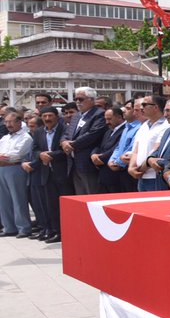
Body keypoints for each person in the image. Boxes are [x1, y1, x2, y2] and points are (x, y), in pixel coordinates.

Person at [25, 106, 71, 243]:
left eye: (50, 116)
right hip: (46, 173)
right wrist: (41, 155)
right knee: (51, 204)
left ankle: (66, 232)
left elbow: (66, 151)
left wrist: (51, 155)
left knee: (64, 205)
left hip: (63, 173)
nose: (47, 119)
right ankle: (55, 231)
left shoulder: (65, 130)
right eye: (44, 117)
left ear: (57, 116)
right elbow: (35, 149)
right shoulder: (39, 132)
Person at [62, 87, 107, 195]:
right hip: (73, 162)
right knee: (80, 196)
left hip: (87, 162)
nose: (77, 102)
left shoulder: (99, 114)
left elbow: (92, 134)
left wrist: (72, 145)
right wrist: (64, 142)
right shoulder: (76, 115)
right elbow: (67, 132)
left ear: (91, 100)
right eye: (76, 99)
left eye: (81, 99)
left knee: (92, 195)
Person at [0, 110, 33, 237]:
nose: (8, 124)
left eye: (11, 122)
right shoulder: (5, 137)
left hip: (15, 168)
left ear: (19, 122)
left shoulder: (25, 137)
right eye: (6, 122)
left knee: (18, 198)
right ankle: (9, 227)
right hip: (2, 168)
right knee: (4, 200)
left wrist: (4, 157)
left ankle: (23, 227)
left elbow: (16, 155)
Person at [128, 95, 170, 191]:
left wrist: (140, 169)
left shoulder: (166, 126)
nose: (142, 108)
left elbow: (156, 151)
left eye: (144, 104)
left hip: (154, 176)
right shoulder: (144, 125)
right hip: (141, 176)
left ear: (155, 107)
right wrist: (131, 168)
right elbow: (136, 150)